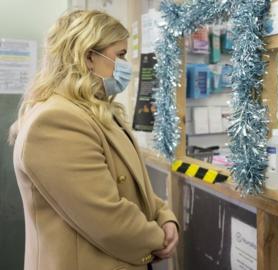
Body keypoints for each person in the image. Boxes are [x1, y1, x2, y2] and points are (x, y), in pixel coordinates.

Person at [8, 10, 179, 270]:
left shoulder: (96, 110)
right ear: (88, 57)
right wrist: (157, 238)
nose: (126, 65)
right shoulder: (57, 120)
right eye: (119, 55)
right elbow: (107, 218)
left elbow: (134, 185)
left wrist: (165, 217)